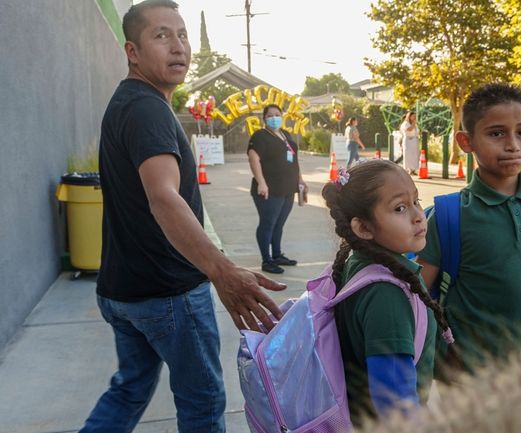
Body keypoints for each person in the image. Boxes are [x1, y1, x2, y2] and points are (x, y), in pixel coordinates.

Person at [79, 2, 286, 432]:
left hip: (122, 291)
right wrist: (222, 271)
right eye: (161, 36)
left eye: (183, 34)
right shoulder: (147, 109)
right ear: (132, 51)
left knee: (129, 390)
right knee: (204, 402)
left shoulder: (128, 102)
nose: (179, 47)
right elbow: (163, 199)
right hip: (167, 293)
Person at [417, 83, 521, 379]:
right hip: (464, 372)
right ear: (466, 141)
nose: (513, 145)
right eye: (497, 133)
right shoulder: (449, 216)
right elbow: (418, 299)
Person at [320, 159, 453, 426]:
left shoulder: (358, 263)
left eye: (416, 201)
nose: (418, 215)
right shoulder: (386, 295)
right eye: (400, 208)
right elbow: (395, 405)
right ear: (363, 228)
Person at [247, 103, 307, 274]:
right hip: (269, 189)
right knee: (268, 224)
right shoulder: (259, 136)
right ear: (264, 119)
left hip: (287, 188)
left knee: (279, 224)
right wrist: (261, 182)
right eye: (270, 116)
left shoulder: (285, 134)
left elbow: (294, 160)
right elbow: (253, 159)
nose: (274, 118)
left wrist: (300, 180)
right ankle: (267, 260)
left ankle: (277, 254)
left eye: (277, 114)